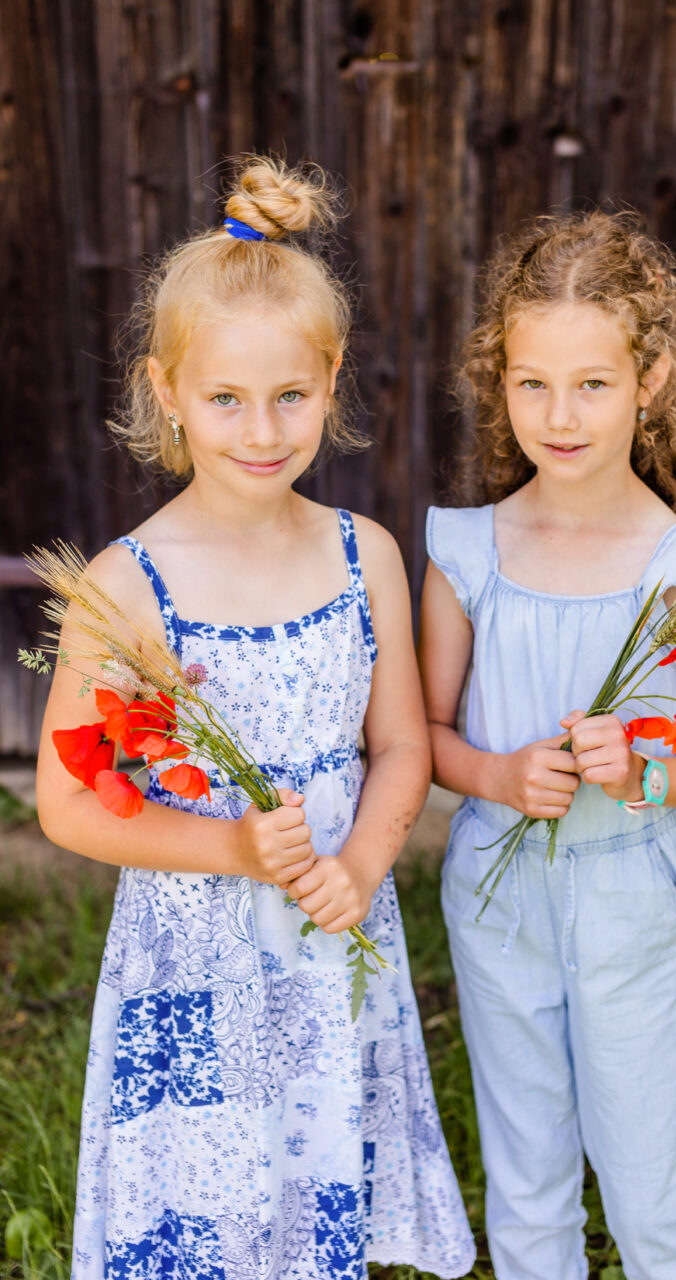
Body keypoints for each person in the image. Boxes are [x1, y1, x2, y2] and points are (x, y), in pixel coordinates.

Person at [37, 156, 475, 1280]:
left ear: (331, 381)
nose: (261, 428)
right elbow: (68, 802)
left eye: (291, 394)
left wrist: (366, 859)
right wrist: (228, 844)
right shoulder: (127, 585)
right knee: (210, 1197)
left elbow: (400, 746)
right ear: (166, 390)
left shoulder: (362, 552)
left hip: (327, 938)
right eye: (225, 397)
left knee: (312, 1176)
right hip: (195, 956)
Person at [418, 209, 676, 1279]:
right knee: (525, 1174)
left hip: (624, 893)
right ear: (499, 380)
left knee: (647, 1170)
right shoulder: (468, 549)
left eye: (592, 383)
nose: (558, 415)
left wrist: (644, 767)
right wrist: (500, 775)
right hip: (495, 892)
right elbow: (424, 736)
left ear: (649, 377)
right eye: (530, 382)